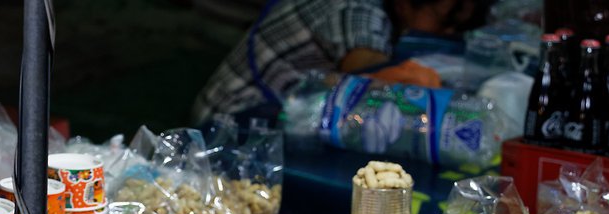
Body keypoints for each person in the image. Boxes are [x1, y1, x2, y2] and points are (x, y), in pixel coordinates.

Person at [191, 0, 492, 125]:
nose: (450, 33)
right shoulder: (357, 9)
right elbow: (370, 76)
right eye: (447, 18)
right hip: (230, 121)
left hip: (279, 108)